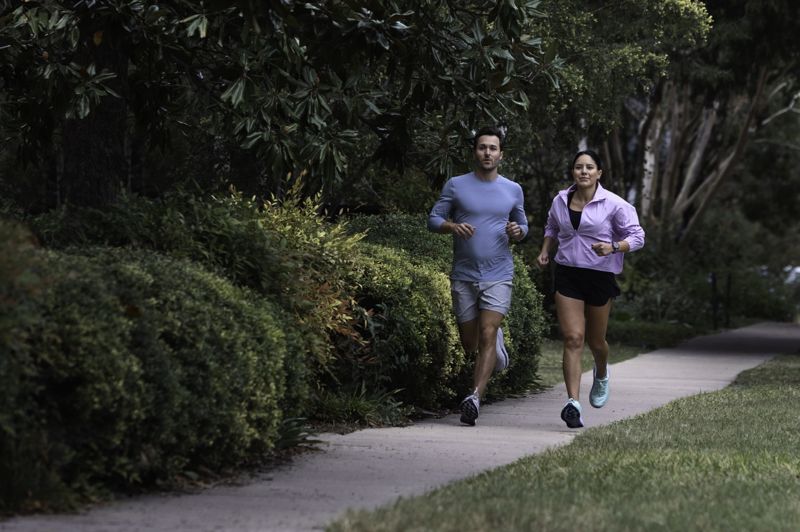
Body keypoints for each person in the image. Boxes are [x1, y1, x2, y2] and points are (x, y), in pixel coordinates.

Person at [428, 125, 528, 426]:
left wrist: (517, 231)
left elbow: (523, 226)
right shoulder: (457, 185)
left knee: (485, 333)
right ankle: (497, 347)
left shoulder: (513, 189)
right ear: (475, 152)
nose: (487, 152)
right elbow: (433, 219)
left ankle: (474, 398)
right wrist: (451, 227)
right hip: (464, 274)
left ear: (501, 154)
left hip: (499, 273)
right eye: (482, 147)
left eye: (493, 148)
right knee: (470, 343)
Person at [537, 149, 644, 428]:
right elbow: (551, 226)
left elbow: (638, 236)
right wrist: (545, 250)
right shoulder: (561, 200)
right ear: (573, 172)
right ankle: (573, 403)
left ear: (599, 173)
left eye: (589, 167)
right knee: (573, 338)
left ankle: (601, 371)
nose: (583, 172)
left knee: (596, 342)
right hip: (568, 274)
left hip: (599, 276)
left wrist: (613, 247)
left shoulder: (614, 204)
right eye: (578, 167)